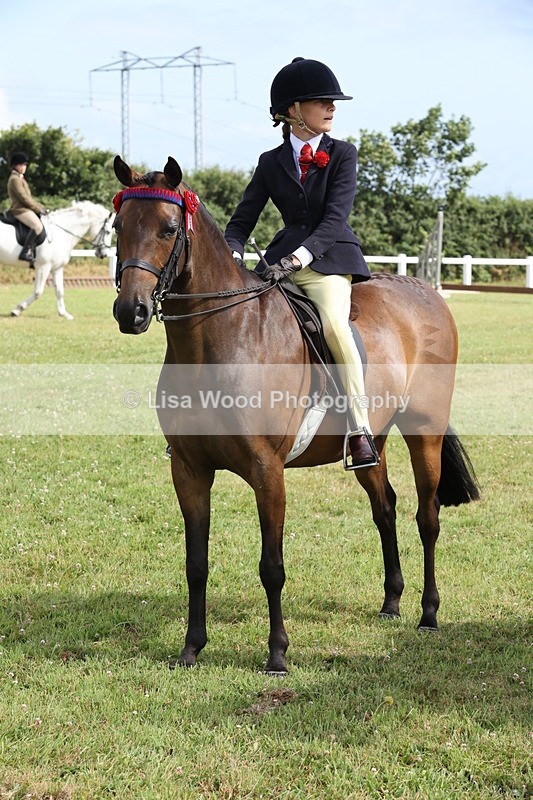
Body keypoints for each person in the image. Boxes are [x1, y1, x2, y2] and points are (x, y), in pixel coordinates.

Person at [224, 57, 378, 469]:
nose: (332, 107)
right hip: (279, 262)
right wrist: (232, 252)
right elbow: (241, 221)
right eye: (323, 101)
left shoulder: (343, 154)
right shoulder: (269, 162)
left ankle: (359, 431)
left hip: (328, 260)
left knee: (333, 328)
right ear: (293, 111)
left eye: (333, 102)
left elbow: (333, 220)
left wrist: (299, 257)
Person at [7, 151, 46, 265]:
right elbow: (24, 199)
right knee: (37, 226)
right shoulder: (15, 179)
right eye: (22, 165)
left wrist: (41, 207)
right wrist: (38, 210)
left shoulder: (20, 178)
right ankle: (24, 252)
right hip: (20, 210)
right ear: (15, 165)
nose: (24, 167)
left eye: (25, 165)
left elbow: (29, 198)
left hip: (25, 208)